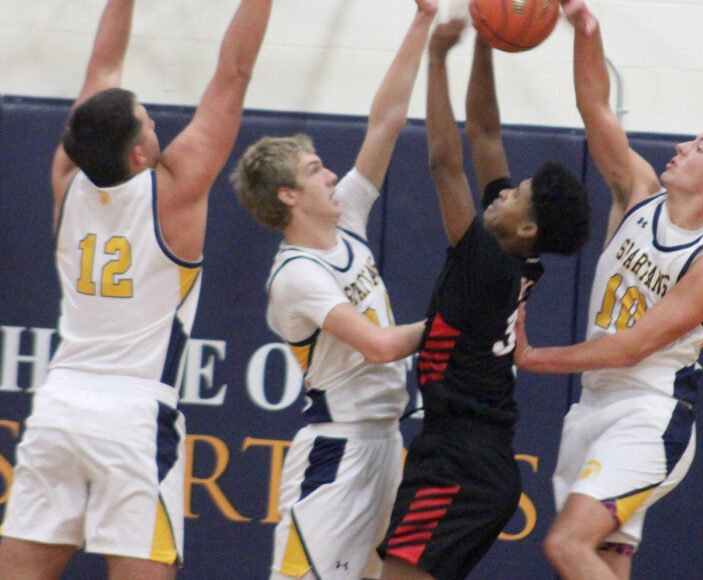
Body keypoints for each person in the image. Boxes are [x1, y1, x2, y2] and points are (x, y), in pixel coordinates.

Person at [0, 1, 272, 579]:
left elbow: (101, 70)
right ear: (141, 153)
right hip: (134, 415)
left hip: (60, 405)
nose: (157, 124)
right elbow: (234, 75)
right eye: (149, 120)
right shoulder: (174, 190)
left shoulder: (66, 177)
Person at [513, 1, 703, 578]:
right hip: (593, 408)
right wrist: (586, 28)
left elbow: (630, 348)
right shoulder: (637, 191)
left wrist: (532, 357)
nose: (681, 147)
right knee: (598, 562)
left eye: (699, 146)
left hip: (649, 414)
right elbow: (594, 105)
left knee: (566, 545)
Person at [229, 2, 438, 579]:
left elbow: (386, 121)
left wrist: (421, 21)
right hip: (336, 454)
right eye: (316, 169)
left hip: (384, 443)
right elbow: (378, 345)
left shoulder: (345, 219)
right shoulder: (296, 274)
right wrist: (453, 319)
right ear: (290, 197)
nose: (330, 175)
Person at [376, 19, 590, 580]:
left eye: (516, 197)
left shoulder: (488, 263)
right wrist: (489, 42)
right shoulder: (515, 250)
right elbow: (486, 136)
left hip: (459, 462)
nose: (504, 194)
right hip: (471, 458)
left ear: (526, 229)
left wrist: (439, 58)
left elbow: (445, 162)